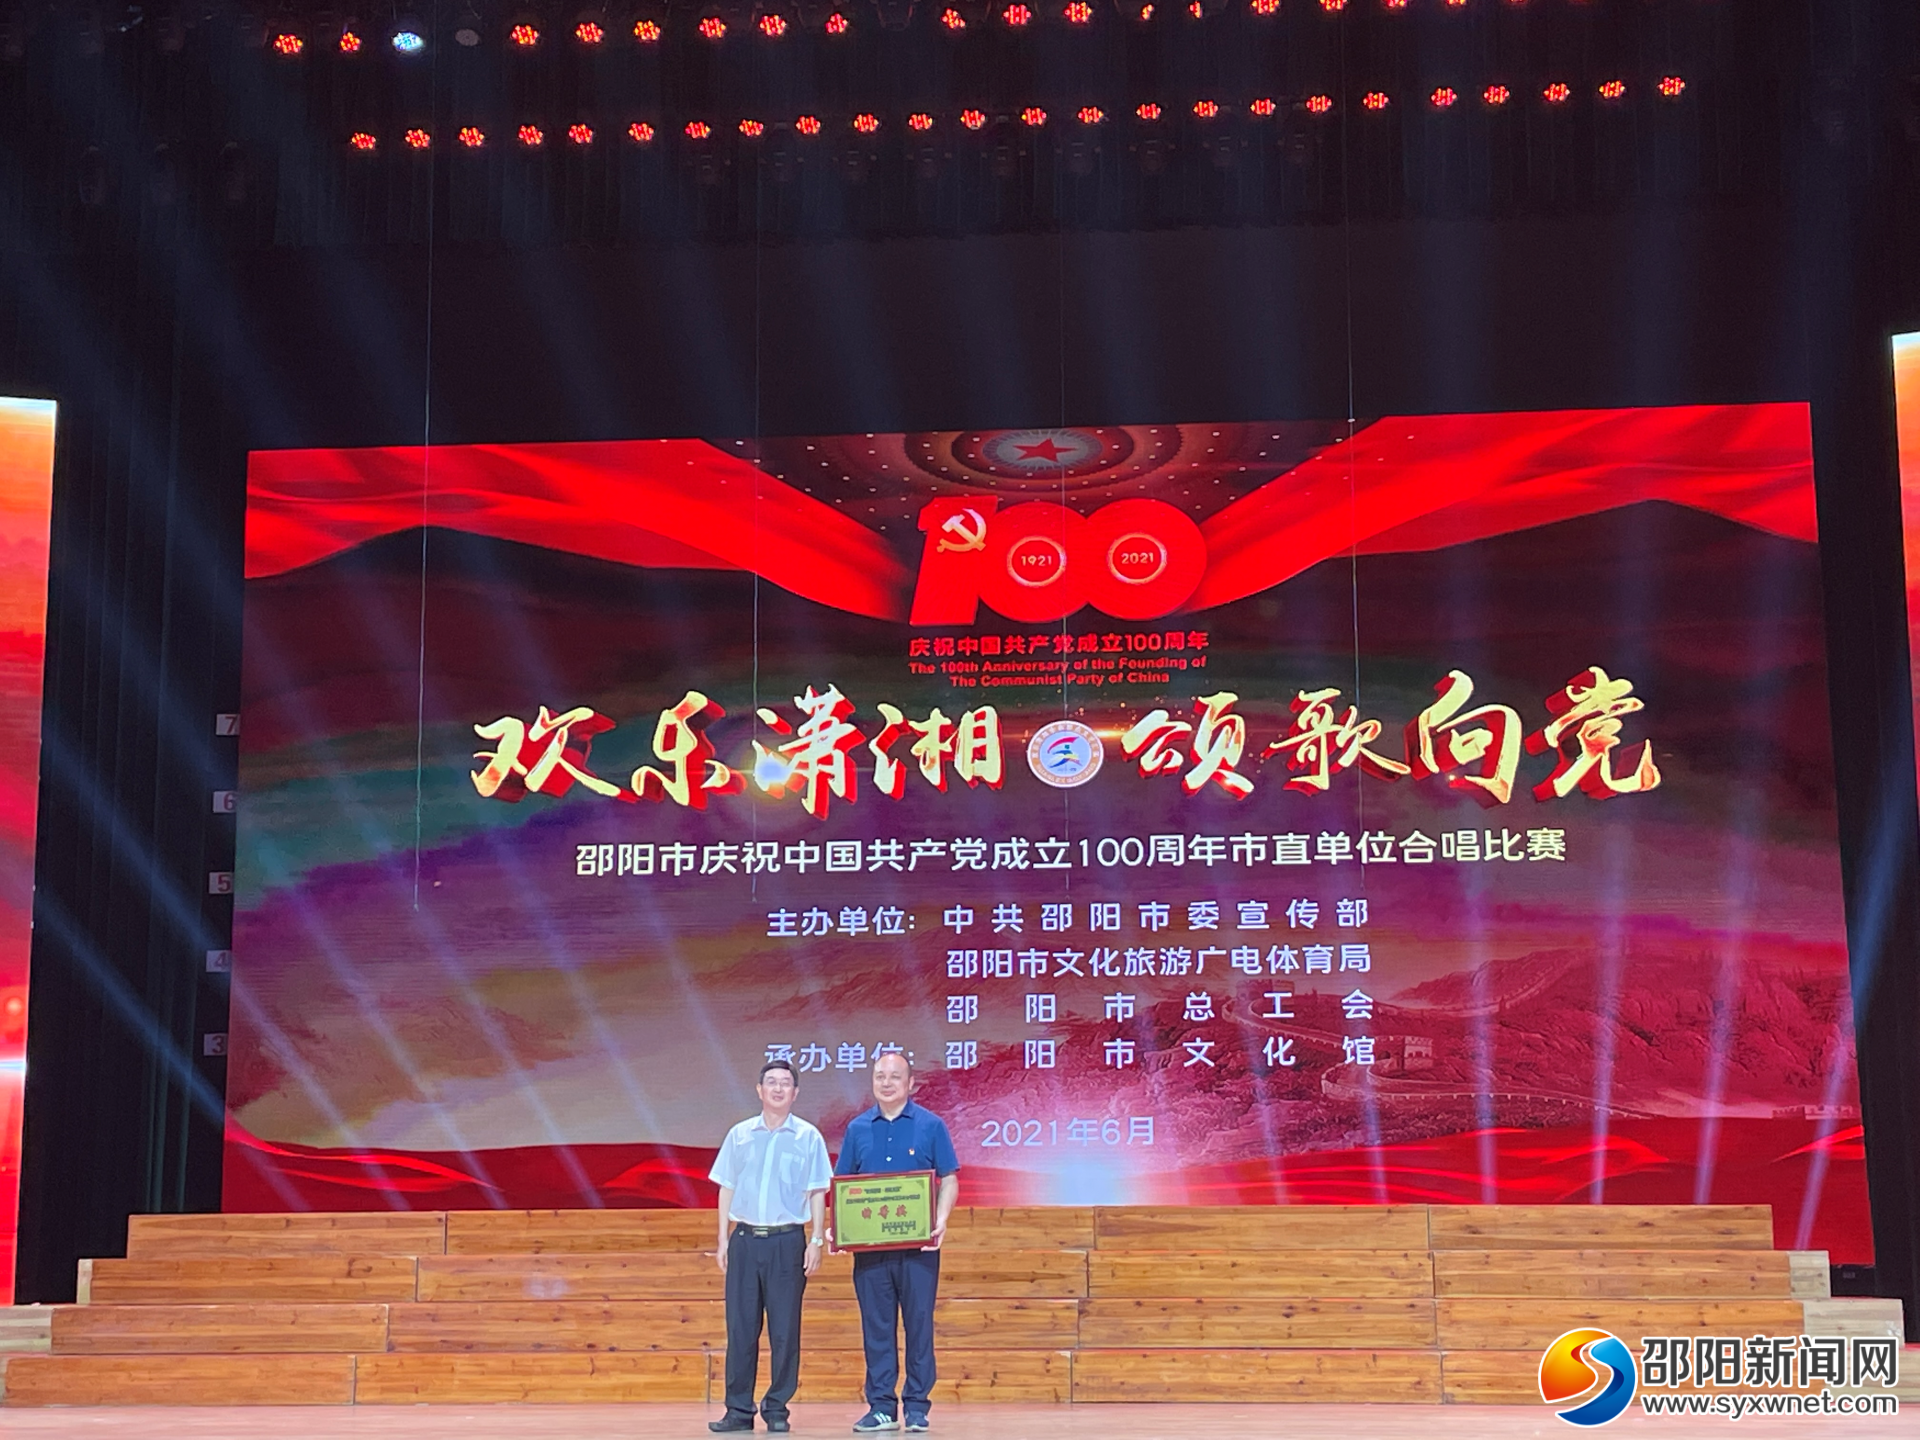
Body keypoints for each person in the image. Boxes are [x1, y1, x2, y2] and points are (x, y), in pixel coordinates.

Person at [835, 1050, 960, 1435]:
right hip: (870, 1253)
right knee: (877, 1329)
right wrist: (838, 1227)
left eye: (894, 1076)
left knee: (919, 1326)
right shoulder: (857, 1129)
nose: (886, 1083)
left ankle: (918, 1407)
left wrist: (940, 1220)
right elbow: (843, 1188)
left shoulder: (931, 1125)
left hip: (919, 1251)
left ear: (910, 1083)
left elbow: (949, 1178)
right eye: (879, 1076)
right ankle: (882, 1407)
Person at [707, 1057, 833, 1434]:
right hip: (745, 1241)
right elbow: (726, 1187)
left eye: (785, 1083)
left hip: (787, 1242)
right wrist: (722, 1239)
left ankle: (777, 1407)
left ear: (795, 1093)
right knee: (741, 1329)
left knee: (784, 1331)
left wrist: (815, 1240)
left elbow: (818, 1191)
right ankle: (738, 1410)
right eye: (771, 1082)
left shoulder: (808, 1137)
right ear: (759, 1090)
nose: (778, 1088)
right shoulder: (740, 1135)